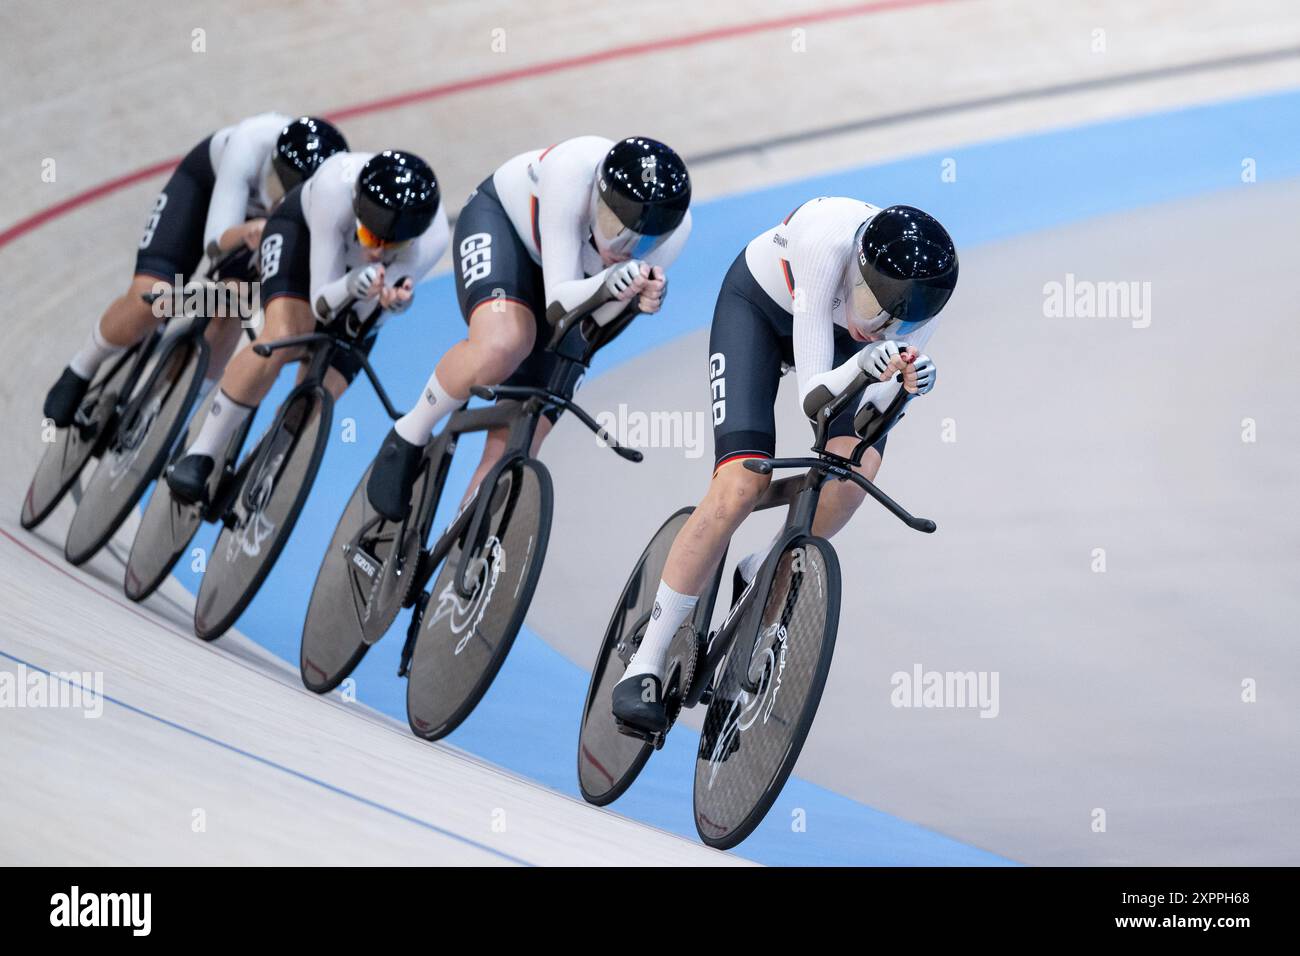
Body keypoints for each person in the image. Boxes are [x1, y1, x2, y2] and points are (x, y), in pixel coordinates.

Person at [611, 199, 958, 734]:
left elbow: (871, 419)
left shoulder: (921, 304)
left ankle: (762, 567)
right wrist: (867, 361)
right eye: (870, 301)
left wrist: (904, 393)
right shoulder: (826, 244)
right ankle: (645, 662)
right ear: (857, 270)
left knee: (854, 474)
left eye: (897, 321)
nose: (879, 323)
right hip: (760, 310)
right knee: (742, 483)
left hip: (842, 351)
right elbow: (814, 399)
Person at [362, 136, 693, 521]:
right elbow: (557, 303)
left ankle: (456, 572)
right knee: (504, 343)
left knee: (521, 440)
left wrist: (637, 301)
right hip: (506, 229)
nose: (623, 244)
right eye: (612, 224)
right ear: (597, 197)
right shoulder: (571, 174)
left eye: (643, 241)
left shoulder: (678, 231)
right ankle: (410, 432)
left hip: (579, 288)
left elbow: (593, 327)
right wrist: (611, 283)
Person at [164, 149, 448, 502]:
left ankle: (273, 455)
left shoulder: (432, 238)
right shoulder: (334, 189)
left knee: (327, 383)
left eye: (393, 245)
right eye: (373, 239)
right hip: (301, 237)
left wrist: (395, 302)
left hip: (354, 276)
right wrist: (350, 284)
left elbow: (370, 314)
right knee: (284, 337)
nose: (378, 251)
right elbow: (322, 305)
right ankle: (200, 453)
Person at [42, 114, 348, 427]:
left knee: (233, 305)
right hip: (206, 193)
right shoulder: (249, 144)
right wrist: (246, 232)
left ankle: (178, 408)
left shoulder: (327, 197)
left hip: (265, 227)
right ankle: (81, 367)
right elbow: (215, 243)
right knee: (151, 296)